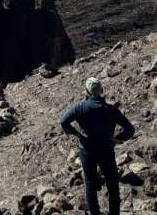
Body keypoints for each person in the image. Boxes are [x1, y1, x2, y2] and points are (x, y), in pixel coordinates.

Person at [58, 77, 135, 215]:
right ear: (102, 90)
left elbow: (63, 121)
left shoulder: (80, 107)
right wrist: (116, 139)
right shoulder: (110, 110)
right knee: (112, 185)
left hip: (87, 150)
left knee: (90, 184)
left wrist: (76, 134)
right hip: (106, 149)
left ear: (87, 91)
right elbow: (130, 130)